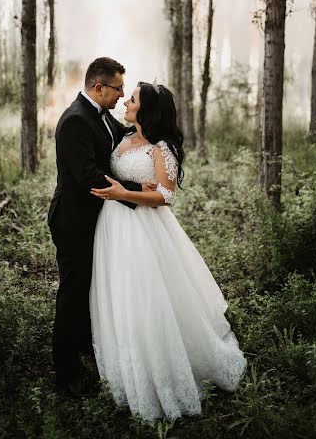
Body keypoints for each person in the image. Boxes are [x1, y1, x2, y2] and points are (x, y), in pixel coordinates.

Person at [90, 81, 247, 423]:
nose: (126, 102)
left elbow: (166, 195)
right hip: (113, 227)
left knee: (147, 298)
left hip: (144, 231)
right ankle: (126, 367)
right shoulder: (124, 136)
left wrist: (124, 194)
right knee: (120, 296)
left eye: (132, 99)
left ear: (146, 109)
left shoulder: (162, 148)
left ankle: (162, 372)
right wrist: (126, 189)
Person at [48, 57, 151, 397]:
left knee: (93, 286)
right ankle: (65, 372)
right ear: (98, 87)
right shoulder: (76, 121)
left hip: (99, 220)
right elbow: (88, 176)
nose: (122, 95)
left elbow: (120, 137)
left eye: (125, 90)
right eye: (119, 88)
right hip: (74, 221)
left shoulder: (102, 114)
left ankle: (87, 344)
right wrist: (136, 192)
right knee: (74, 292)